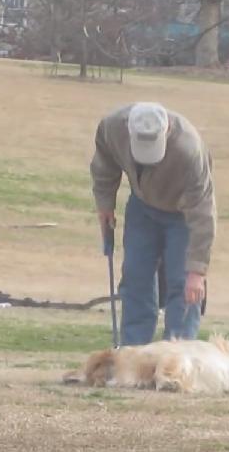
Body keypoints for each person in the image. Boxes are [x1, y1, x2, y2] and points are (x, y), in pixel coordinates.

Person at [90, 102, 216, 345]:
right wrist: (105, 203)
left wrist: (198, 271)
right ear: (128, 129)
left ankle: (178, 356)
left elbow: (203, 212)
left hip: (183, 215)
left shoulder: (188, 149)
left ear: (167, 132)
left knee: (184, 285)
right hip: (142, 208)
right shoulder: (112, 127)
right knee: (135, 277)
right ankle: (134, 352)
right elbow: (104, 165)